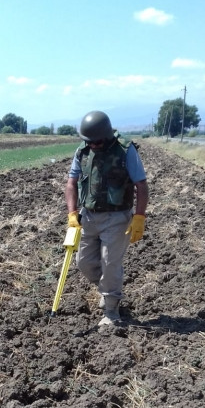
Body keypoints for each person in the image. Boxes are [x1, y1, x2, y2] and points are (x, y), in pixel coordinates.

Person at [65, 110, 149, 326]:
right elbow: (71, 183)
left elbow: (141, 185)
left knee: (110, 263)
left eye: (96, 141)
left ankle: (111, 311)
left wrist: (139, 217)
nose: (92, 145)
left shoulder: (125, 150)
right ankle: (107, 290)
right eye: (88, 141)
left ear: (106, 135)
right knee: (83, 262)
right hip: (89, 216)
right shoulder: (82, 152)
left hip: (117, 217)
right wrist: (72, 213)